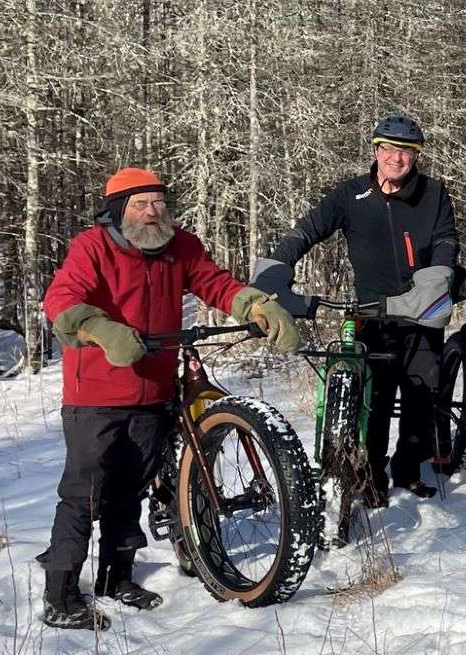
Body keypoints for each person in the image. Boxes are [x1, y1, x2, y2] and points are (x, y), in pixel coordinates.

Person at [39, 168, 299, 629]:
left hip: (155, 390)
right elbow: (61, 299)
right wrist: (100, 329)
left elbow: (215, 283)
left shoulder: (181, 246)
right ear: (118, 211)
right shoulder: (92, 247)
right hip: (95, 395)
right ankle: (60, 595)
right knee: (85, 495)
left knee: (129, 492)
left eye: (159, 202)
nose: (153, 212)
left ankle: (116, 579)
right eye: (141, 204)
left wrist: (256, 304)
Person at [262, 113, 459, 501]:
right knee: (375, 399)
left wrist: (434, 281)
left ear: (416, 156)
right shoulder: (351, 194)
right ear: (376, 150)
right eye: (389, 149)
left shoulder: (433, 193)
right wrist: (276, 268)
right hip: (371, 311)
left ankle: (408, 471)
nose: (396, 158)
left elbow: (445, 240)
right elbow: (306, 231)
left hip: (419, 309)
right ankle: (371, 479)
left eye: (406, 152)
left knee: (421, 395)